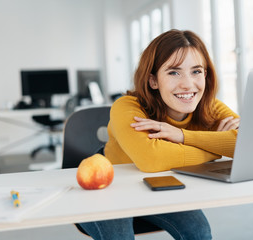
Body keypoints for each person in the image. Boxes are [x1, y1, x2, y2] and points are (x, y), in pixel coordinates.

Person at [78, 29, 240, 240]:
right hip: (111, 186)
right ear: (153, 80)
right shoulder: (127, 107)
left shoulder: (210, 107)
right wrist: (214, 149)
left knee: (198, 232)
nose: (188, 84)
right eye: (174, 72)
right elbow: (152, 159)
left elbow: (248, 145)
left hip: (162, 183)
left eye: (196, 71)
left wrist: (183, 136)